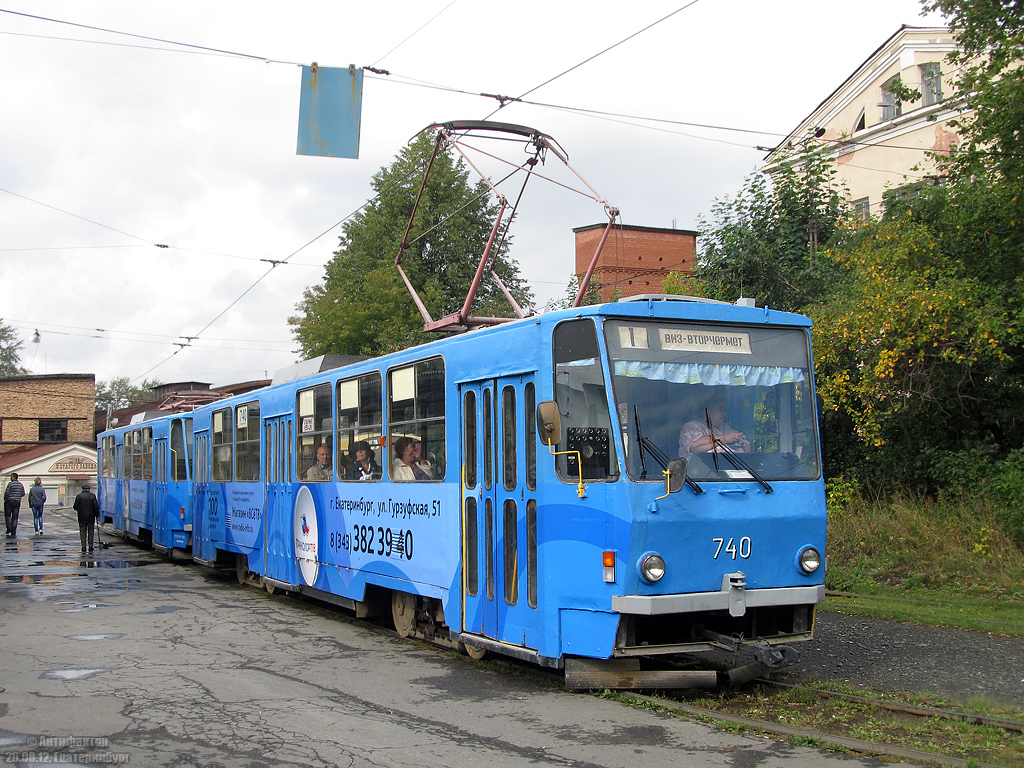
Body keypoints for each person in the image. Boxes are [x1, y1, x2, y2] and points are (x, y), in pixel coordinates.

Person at [678, 394, 750, 459]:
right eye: (720, 410)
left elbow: (747, 449)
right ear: (708, 411)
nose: (723, 414)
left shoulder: (725, 428)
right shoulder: (692, 426)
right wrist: (724, 439)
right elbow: (694, 447)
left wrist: (740, 441)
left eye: (724, 410)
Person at [73, 482, 101, 553]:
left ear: (82, 489)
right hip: (91, 517)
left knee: (82, 531)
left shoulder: (79, 496)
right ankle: (90, 545)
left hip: (81, 517)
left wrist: (80, 510)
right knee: (91, 531)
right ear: (89, 489)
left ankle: (83, 545)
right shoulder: (92, 496)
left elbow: (75, 507)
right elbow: (96, 507)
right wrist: (97, 514)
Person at [4, 472, 25, 537]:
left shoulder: (10, 484)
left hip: (9, 501)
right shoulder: (20, 485)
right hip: (17, 502)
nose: (10, 478)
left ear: (14, 477)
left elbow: (7, 493)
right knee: (15, 517)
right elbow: (23, 493)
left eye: (11, 477)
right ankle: (14, 530)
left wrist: (6, 498)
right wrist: (18, 496)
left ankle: (9, 528)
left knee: (8, 516)